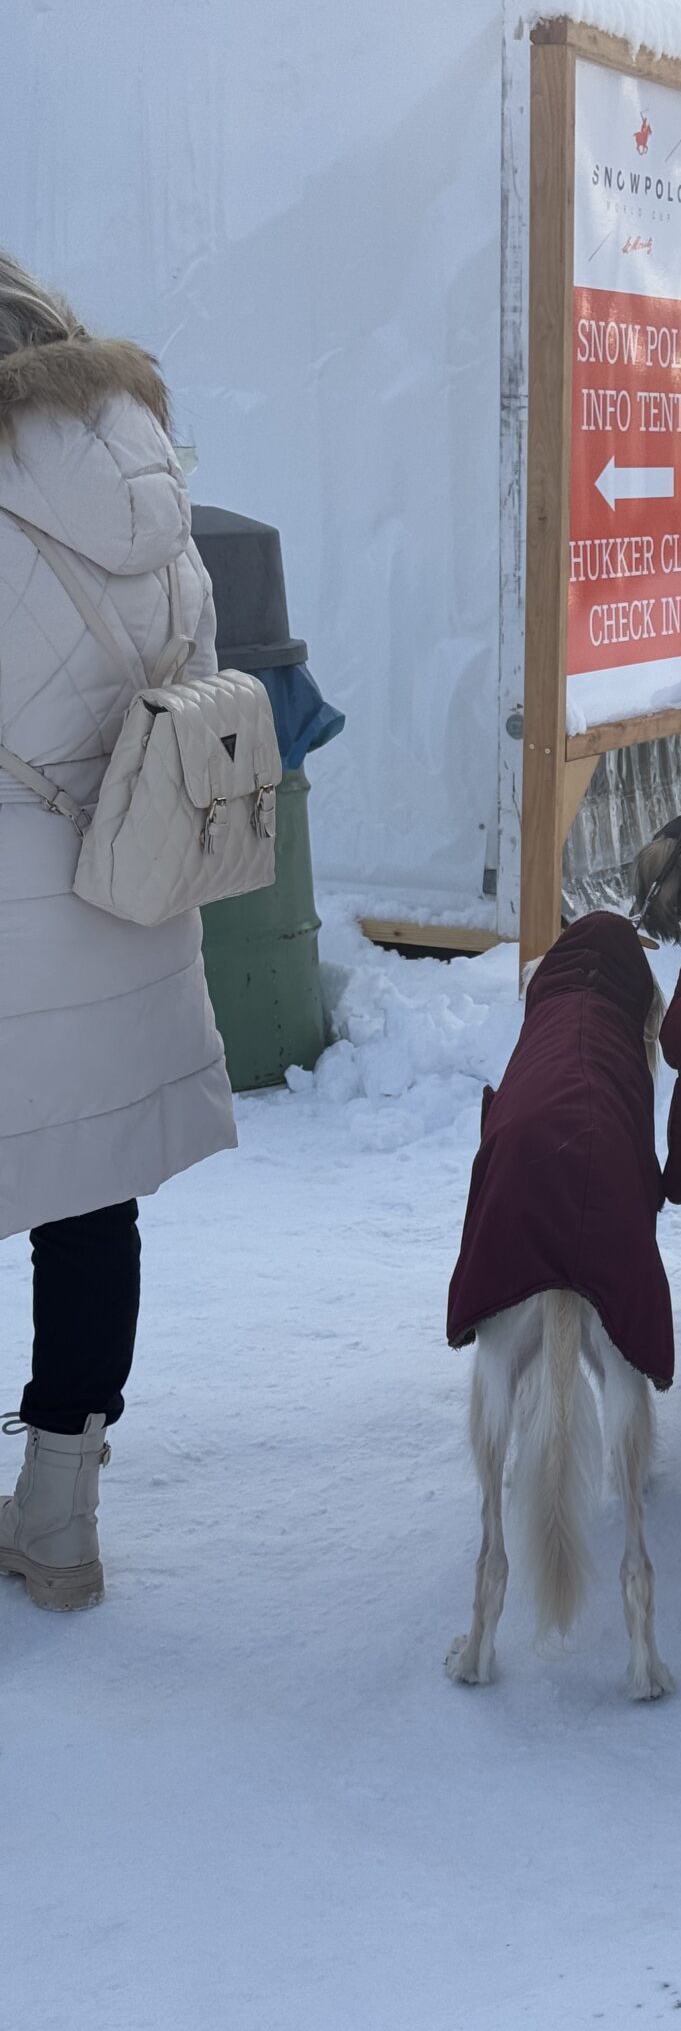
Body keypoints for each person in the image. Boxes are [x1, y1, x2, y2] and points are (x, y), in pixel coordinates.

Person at [0, 255, 235, 1610]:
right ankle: (60, 1519)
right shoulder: (144, 468)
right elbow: (191, 660)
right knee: (86, 1210)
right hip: (124, 887)